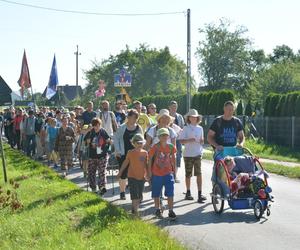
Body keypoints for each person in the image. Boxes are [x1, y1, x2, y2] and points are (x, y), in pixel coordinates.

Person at [148, 128, 177, 220]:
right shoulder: (155, 147)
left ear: (168, 136)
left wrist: (174, 171)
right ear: (158, 137)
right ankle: (157, 209)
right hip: (157, 173)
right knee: (156, 192)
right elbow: (149, 160)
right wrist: (149, 172)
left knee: (170, 192)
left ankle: (171, 210)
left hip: (168, 172)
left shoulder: (171, 147)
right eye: (162, 135)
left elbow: (173, 159)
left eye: (165, 135)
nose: (164, 137)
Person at [114, 109, 143, 200]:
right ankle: (122, 192)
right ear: (128, 117)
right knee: (123, 173)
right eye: (132, 117)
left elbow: (142, 140)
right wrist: (117, 151)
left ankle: (137, 194)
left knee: (136, 173)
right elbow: (116, 139)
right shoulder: (122, 127)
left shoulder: (139, 128)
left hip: (136, 154)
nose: (134, 119)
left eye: (136, 118)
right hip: (123, 154)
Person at [178, 109, 206, 203]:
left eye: (195, 117)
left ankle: (199, 194)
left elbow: (202, 140)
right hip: (188, 154)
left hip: (198, 153)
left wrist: (202, 141)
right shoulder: (186, 128)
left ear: (197, 118)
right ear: (188, 118)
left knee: (199, 173)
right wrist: (189, 140)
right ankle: (188, 192)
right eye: (192, 117)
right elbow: (181, 141)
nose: (194, 118)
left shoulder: (200, 128)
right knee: (188, 174)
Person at [117, 133, 148, 216]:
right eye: (137, 143)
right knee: (134, 194)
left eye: (141, 143)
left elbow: (146, 165)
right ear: (133, 143)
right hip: (132, 176)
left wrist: (148, 174)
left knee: (140, 195)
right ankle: (135, 211)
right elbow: (125, 162)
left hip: (142, 177)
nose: (139, 145)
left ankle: (135, 208)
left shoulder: (145, 153)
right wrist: (120, 172)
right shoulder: (130, 152)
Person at [84, 118, 111, 194]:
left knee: (102, 172)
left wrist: (109, 142)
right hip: (92, 155)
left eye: (97, 125)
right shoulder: (90, 132)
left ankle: (102, 187)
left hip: (102, 155)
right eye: (94, 126)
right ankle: (93, 188)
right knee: (91, 172)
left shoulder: (103, 131)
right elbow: (85, 141)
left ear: (100, 125)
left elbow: (108, 140)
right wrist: (87, 141)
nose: (96, 127)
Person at [169, 100, 185, 175]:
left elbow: (182, 127)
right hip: (168, 139)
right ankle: (168, 173)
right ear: (169, 107)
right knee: (168, 156)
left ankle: (175, 174)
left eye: (175, 107)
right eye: (172, 107)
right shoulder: (167, 116)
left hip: (178, 140)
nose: (174, 108)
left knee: (178, 156)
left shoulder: (179, 116)